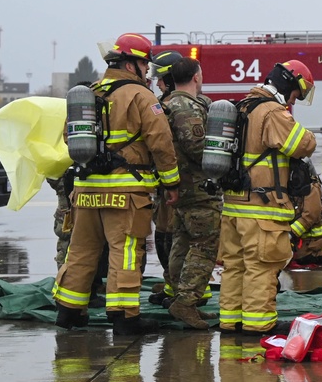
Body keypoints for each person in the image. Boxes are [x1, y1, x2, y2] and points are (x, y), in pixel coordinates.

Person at [54, 32, 180, 335]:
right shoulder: (141, 97)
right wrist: (171, 183)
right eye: (145, 65)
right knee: (125, 251)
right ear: (132, 63)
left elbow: (68, 137)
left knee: (82, 251)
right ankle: (125, 317)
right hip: (125, 194)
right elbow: (161, 142)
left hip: (85, 192)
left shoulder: (91, 93)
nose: (147, 72)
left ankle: (69, 311)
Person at [217, 60, 317, 336]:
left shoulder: (242, 107)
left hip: (234, 207)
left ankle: (231, 321)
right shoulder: (272, 112)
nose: (295, 99)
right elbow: (303, 144)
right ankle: (257, 324)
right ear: (288, 84)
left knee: (235, 266)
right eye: (297, 93)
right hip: (262, 209)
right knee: (261, 267)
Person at [162, 57, 223, 330]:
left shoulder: (166, 103)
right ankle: (186, 302)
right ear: (196, 77)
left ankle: (179, 296)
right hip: (197, 187)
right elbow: (196, 147)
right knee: (205, 244)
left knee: (183, 241)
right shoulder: (185, 107)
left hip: (178, 186)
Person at [147, 49, 184, 307]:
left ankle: (181, 291)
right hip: (163, 186)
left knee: (173, 239)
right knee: (163, 236)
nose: (157, 82)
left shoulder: (175, 107)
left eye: (161, 78)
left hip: (177, 186)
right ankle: (172, 287)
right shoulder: (162, 104)